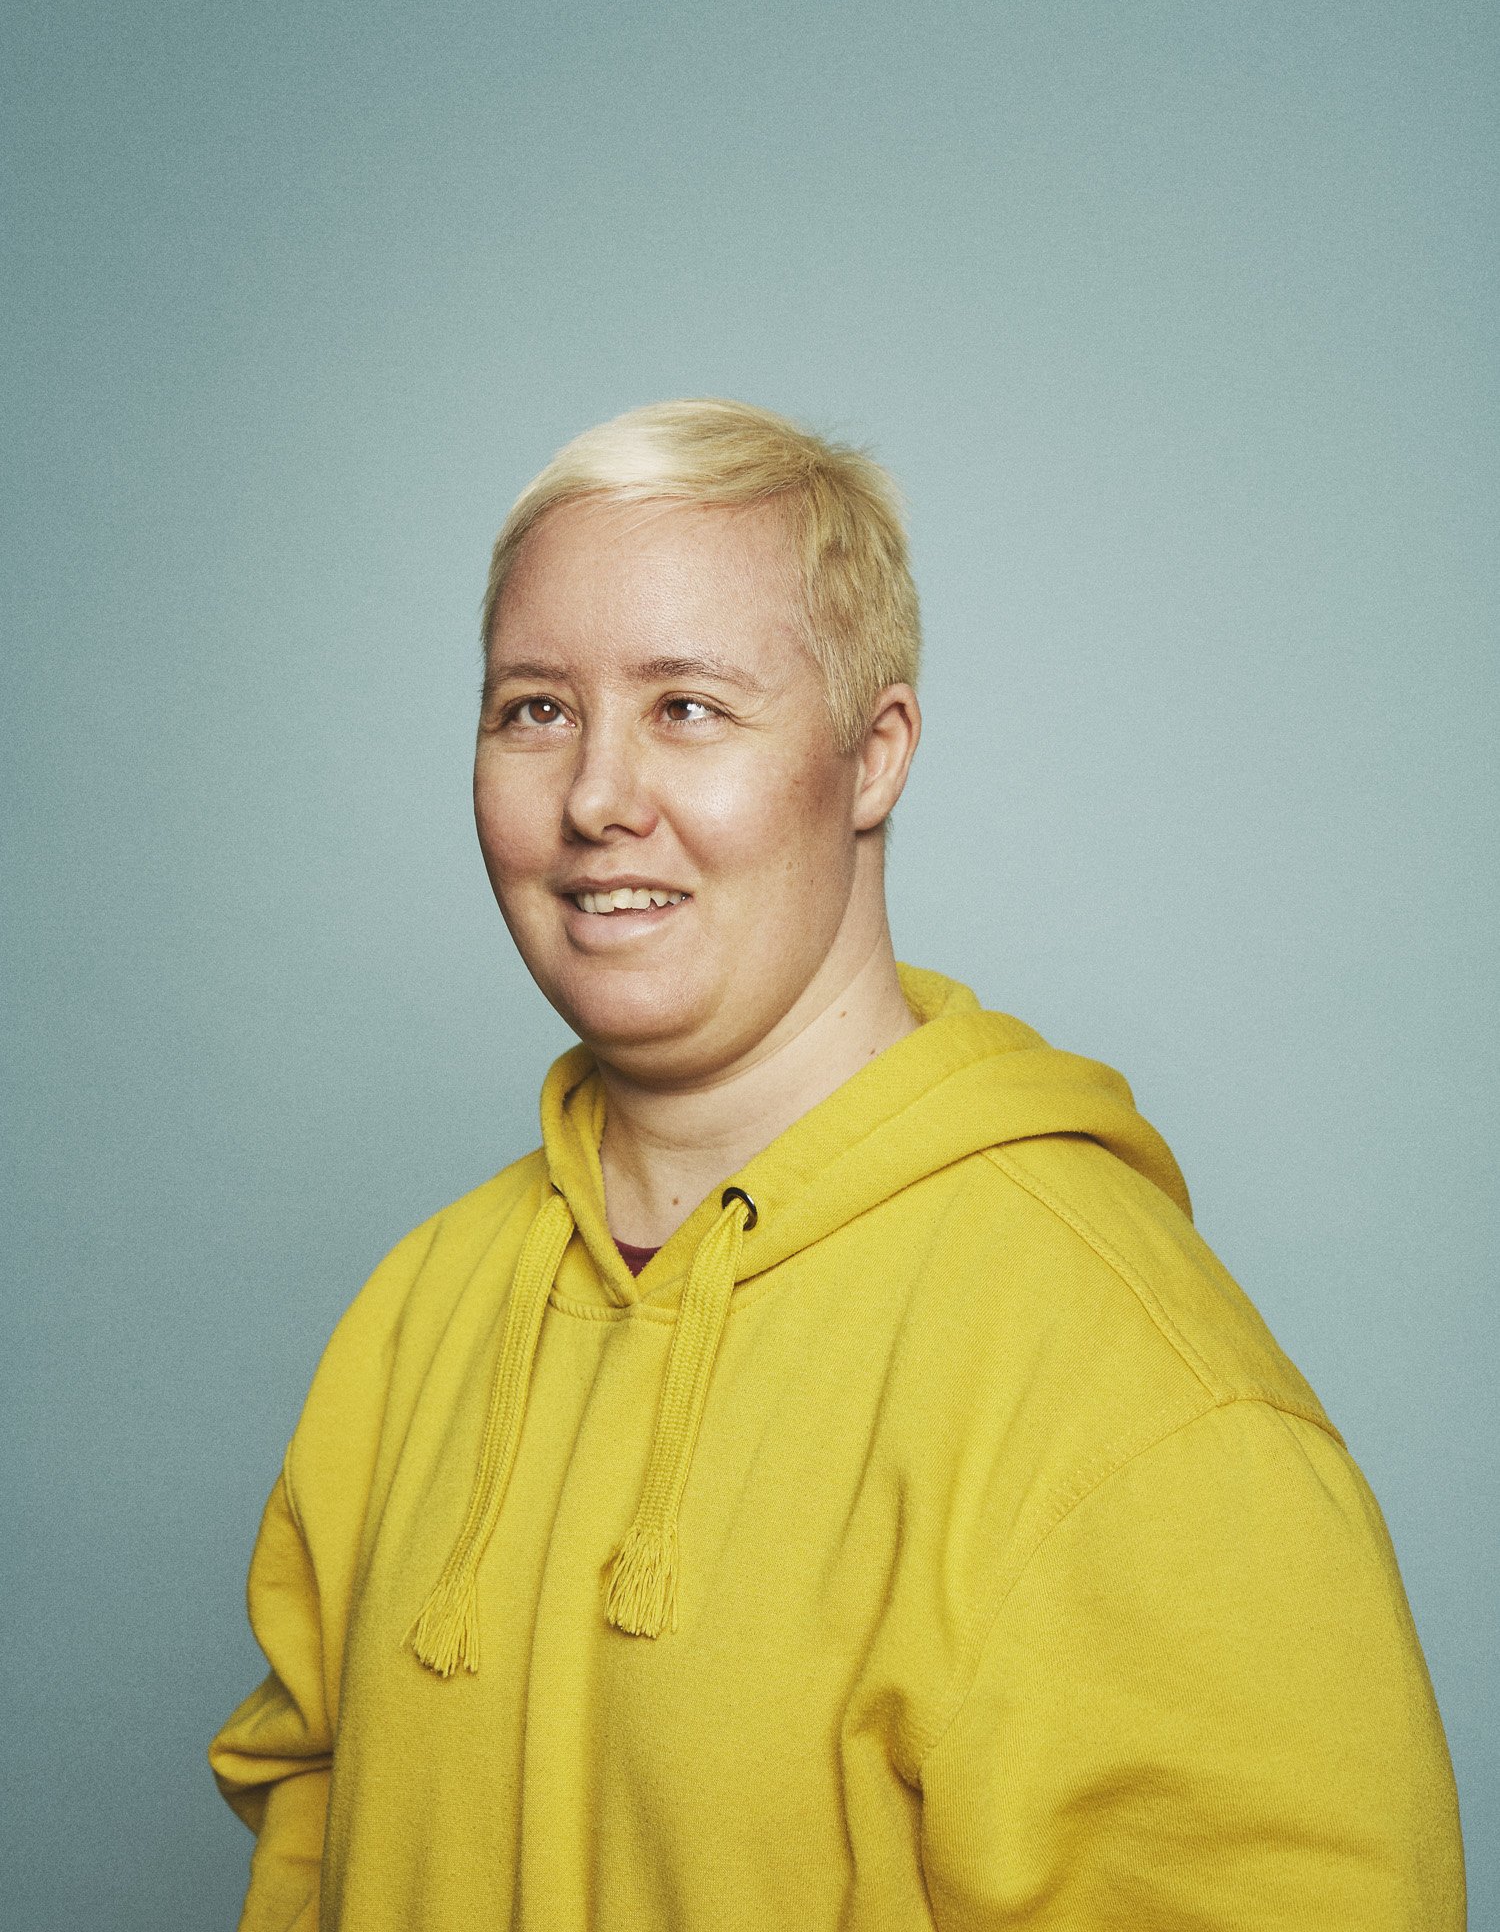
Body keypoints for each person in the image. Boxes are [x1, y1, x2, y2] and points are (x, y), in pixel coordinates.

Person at [210, 399, 1464, 1929]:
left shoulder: (1137, 1392)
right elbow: (312, 1825)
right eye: (535, 707)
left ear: (874, 758)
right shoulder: (414, 1315)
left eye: (687, 707)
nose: (599, 798)